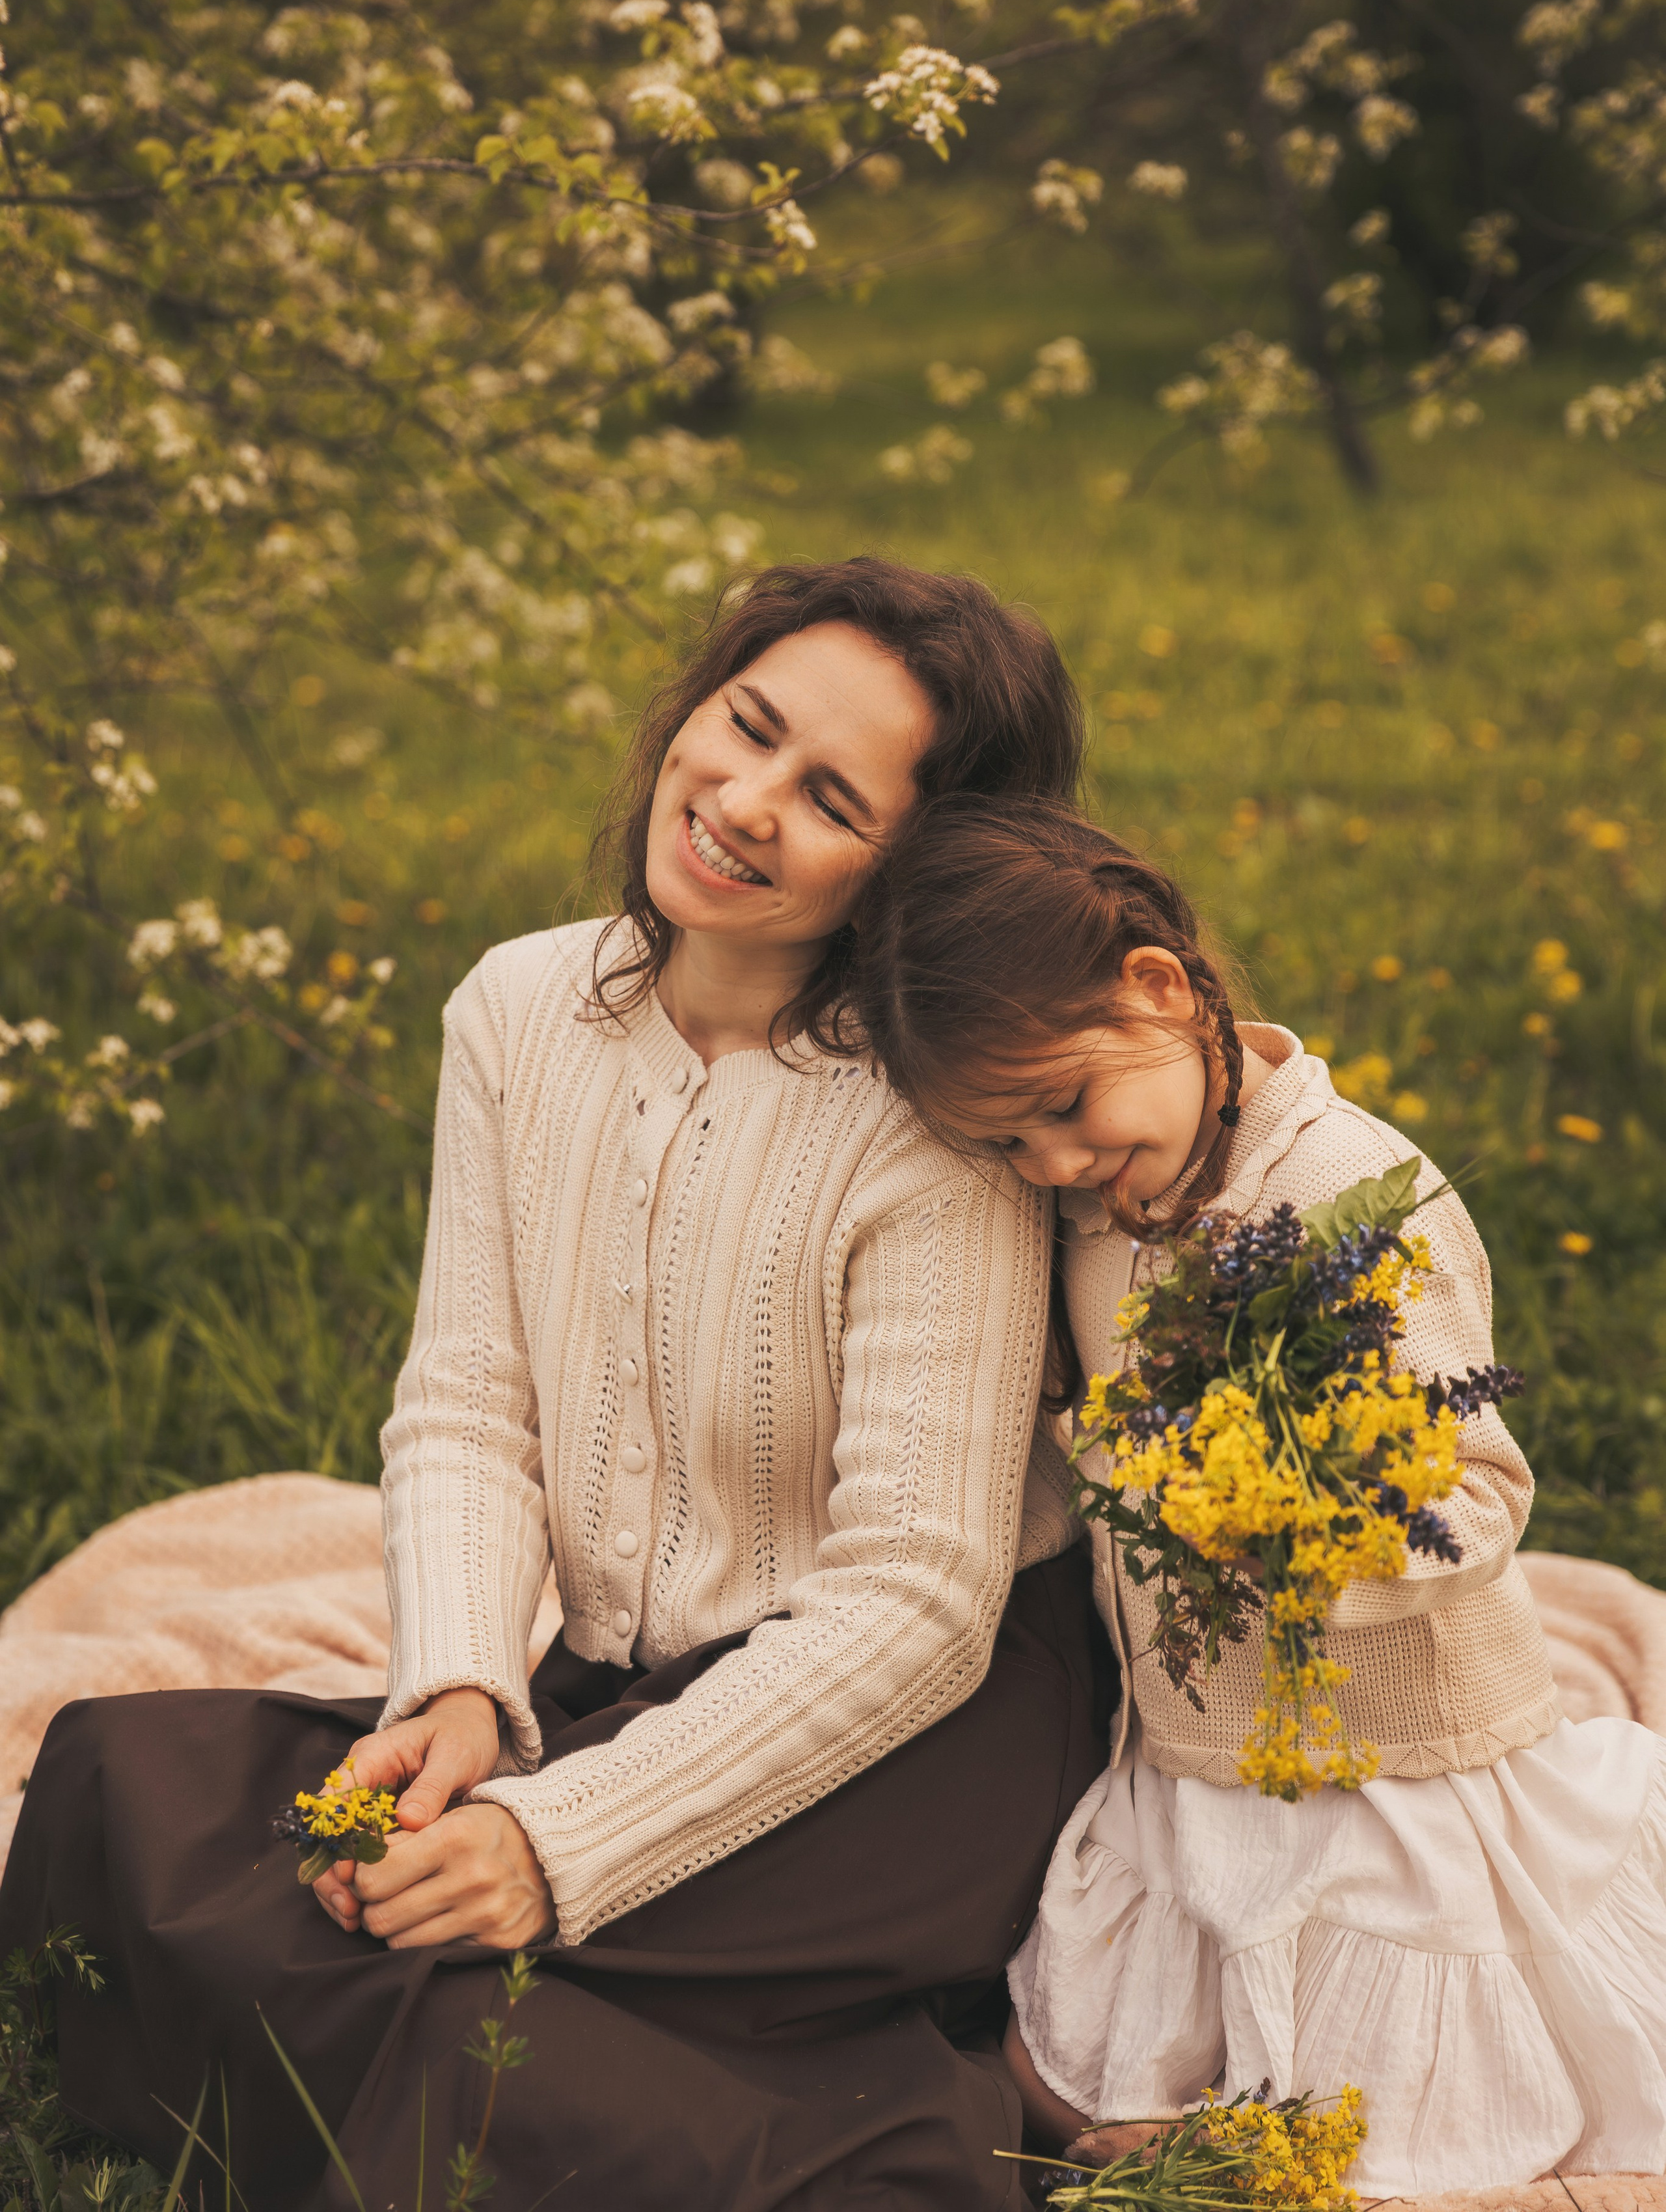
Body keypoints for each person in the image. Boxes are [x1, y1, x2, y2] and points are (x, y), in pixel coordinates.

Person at [0, 562, 1114, 2212]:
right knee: (122, 1786)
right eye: (742, 727)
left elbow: (915, 1604)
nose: (737, 802)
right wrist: (457, 1688)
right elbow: (464, 1404)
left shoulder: (931, 1115)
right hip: (610, 1681)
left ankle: (923, 2141)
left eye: (827, 799)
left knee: (451, 2021)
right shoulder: (521, 1008)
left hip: (914, 1732)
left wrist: (556, 1845)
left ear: (917, 868)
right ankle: (781, 2055)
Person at [854, 793, 1666, 2197]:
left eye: (1062, 1108)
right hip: (1190, 1740)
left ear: (1159, 990)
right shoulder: (1097, 1202)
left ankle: (1284, 2126)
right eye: (1004, 1146)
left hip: (1380, 1750)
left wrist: (1310, 1541)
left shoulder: (1355, 1192)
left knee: (1414, 2080)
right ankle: (1219, 2107)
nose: (1049, 1166)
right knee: (1049, 2072)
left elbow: (1474, 1484)